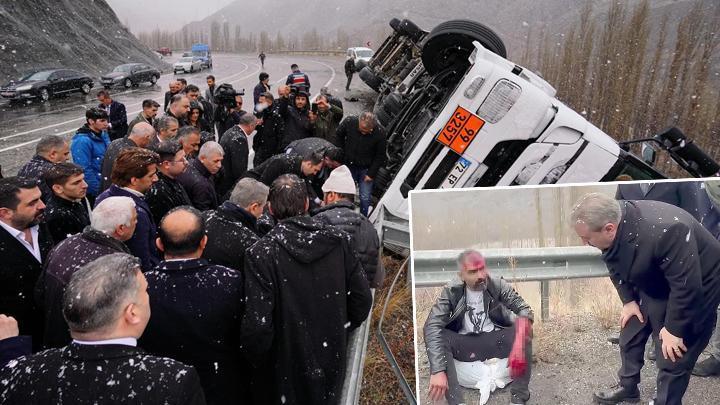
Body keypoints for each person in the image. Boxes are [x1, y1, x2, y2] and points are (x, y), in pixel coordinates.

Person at [571, 192, 720, 405]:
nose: (584, 243)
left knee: (673, 354)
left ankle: (666, 401)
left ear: (609, 229)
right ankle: (628, 388)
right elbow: (612, 259)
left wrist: (674, 330)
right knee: (631, 330)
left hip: (698, 284)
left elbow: (687, 286)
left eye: (586, 238)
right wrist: (628, 301)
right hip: (658, 274)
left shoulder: (667, 231)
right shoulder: (611, 215)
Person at [0, 253, 207, 405]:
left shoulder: (20, 371)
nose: (149, 295)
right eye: (145, 290)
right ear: (131, 313)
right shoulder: (173, 380)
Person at [241, 174, 372, 404]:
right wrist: (339, 329)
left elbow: (258, 325)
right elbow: (361, 300)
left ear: (270, 209)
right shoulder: (338, 241)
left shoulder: (262, 253)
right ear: (306, 204)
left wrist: (259, 360)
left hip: (283, 364)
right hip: (330, 355)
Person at [141, 207, 246, 405]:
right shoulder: (229, 281)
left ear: (159, 244)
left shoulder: (143, 286)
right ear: (204, 242)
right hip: (218, 386)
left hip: (161, 387)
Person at [424, 249, 534, 405]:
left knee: (524, 327)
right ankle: (457, 402)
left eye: (482, 268)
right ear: (461, 275)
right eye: (473, 271)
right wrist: (437, 370)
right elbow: (432, 326)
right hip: (467, 344)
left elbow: (525, 310)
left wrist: (518, 344)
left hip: (496, 341)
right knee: (441, 336)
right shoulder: (451, 291)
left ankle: (519, 397)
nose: (481, 275)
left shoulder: (497, 284)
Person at [35, 196, 136, 349]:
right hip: (84, 343)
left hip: (55, 335)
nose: (137, 223)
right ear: (121, 228)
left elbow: (40, 293)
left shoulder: (65, 244)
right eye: (135, 219)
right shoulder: (113, 263)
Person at [0, 177, 53, 350]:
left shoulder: (40, 223)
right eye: (32, 203)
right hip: (22, 341)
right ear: (5, 213)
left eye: (40, 198)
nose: (43, 206)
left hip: (53, 329)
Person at [312, 165, 383, 287]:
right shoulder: (369, 226)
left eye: (325, 195)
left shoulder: (320, 221)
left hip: (327, 296)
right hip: (358, 300)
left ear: (332, 195)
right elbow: (377, 278)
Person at [95, 148, 161, 271]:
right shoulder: (134, 213)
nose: (156, 179)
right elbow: (141, 258)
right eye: (151, 175)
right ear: (134, 180)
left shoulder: (104, 197)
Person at [203, 178, 267, 271]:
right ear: (254, 207)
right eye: (263, 207)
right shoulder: (250, 242)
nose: (262, 213)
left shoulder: (202, 218)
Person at [336, 112, 386, 216]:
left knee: (365, 197)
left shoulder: (380, 133)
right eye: (361, 130)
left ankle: (363, 217)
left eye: (366, 132)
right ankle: (345, 214)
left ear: (372, 128)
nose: (363, 133)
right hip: (349, 165)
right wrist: (342, 152)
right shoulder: (350, 122)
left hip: (366, 169)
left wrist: (371, 173)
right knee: (345, 193)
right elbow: (338, 134)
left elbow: (380, 156)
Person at [42, 162, 91, 242]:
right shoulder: (58, 217)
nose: (85, 185)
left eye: (83, 179)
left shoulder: (76, 198)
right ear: (58, 188)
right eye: (76, 183)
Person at [70, 107, 111, 204]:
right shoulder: (82, 141)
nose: (106, 123)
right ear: (91, 121)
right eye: (102, 121)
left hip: (106, 183)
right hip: (96, 189)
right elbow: (84, 169)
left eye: (107, 120)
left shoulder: (103, 133)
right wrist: (98, 190)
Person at [100, 122, 155, 191]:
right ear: (147, 137)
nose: (151, 142)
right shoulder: (132, 155)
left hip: (106, 190)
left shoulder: (114, 143)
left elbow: (102, 166)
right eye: (152, 138)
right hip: (120, 195)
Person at [146, 140, 191, 224]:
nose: (186, 162)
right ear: (166, 164)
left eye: (186, 157)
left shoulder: (172, 178)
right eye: (181, 160)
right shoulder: (159, 191)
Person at [18, 135, 70, 201]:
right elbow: (53, 202)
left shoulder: (24, 169)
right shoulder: (52, 172)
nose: (67, 158)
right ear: (53, 154)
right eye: (65, 154)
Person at [217, 113, 257, 199]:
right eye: (255, 126)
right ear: (251, 125)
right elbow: (239, 168)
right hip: (229, 184)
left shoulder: (230, 131)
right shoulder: (239, 138)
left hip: (222, 179)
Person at [177, 141, 223, 211]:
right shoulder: (202, 185)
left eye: (220, 160)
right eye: (216, 161)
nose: (219, 165)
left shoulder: (190, 163)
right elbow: (203, 214)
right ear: (202, 158)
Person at [253, 92, 284, 166]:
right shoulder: (260, 112)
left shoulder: (276, 115)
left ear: (269, 102)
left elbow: (280, 134)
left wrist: (277, 152)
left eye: (261, 102)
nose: (259, 104)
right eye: (259, 102)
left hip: (271, 151)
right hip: (260, 148)